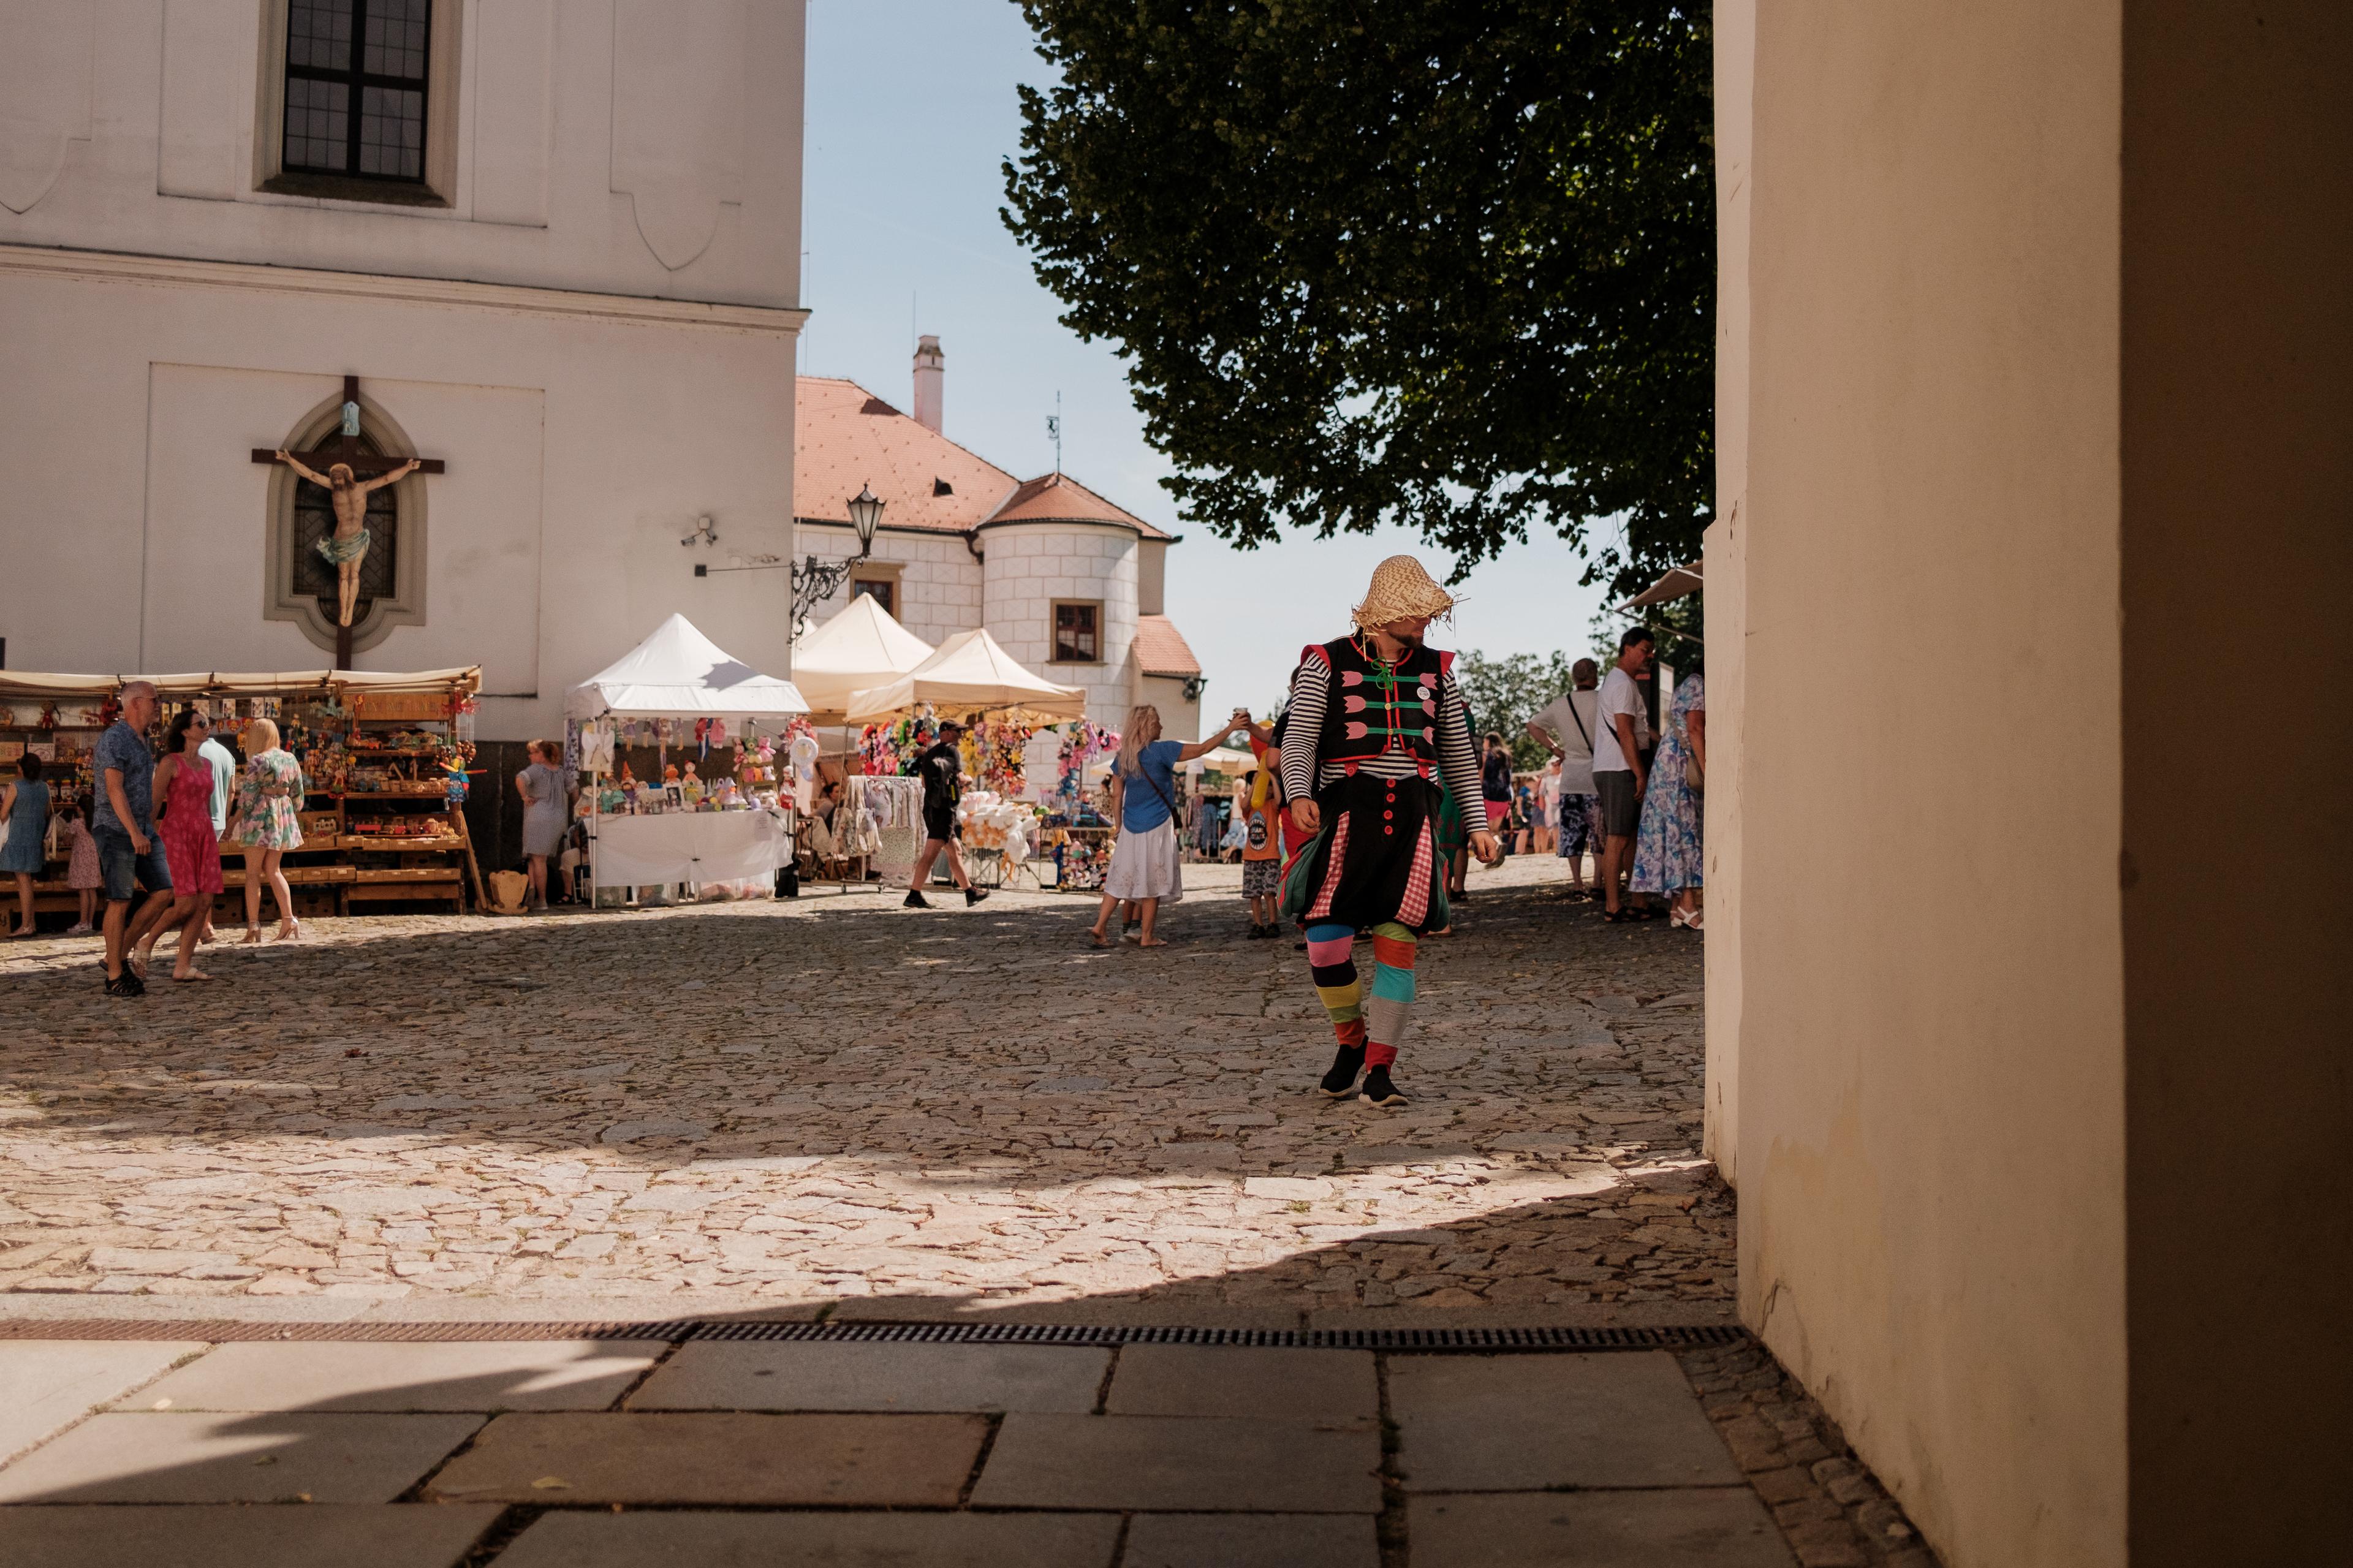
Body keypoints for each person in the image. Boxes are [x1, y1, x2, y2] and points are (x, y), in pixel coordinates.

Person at [1279, 556, 1498, 1108]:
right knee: (1326, 944)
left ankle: (1380, 1070)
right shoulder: (1325, 662)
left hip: (1413, 819)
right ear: (1388, 612)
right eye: (1417, 613)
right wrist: (1300, 792)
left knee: (1398, 943)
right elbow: (1300, 738)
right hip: (1348, 813)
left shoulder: (1438, 670)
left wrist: (1477, 824)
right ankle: (1351, 1042)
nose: (1426, 622)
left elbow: (1457, 754)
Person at [1089, 705, 1242, 948]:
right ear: (1148, 725)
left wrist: (1118, 826)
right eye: (1158, 722)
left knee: (1120, 878)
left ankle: (1100, 926)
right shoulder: (1161, 750)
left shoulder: (1123, 757)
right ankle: (1147, 936)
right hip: (1157, 825)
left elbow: (1117, 796)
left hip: (1130, 826)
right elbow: (1203, 748)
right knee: (1153, 880)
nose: (1161, 726)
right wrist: (1232, 728)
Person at [93, 681, 178, 996]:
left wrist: (146, 828)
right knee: (119, 899)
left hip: (143, 828)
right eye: (155, 700)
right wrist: (133, 832)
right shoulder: (115, 739)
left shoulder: (144, 740)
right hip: (117, 830)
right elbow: (114, 789)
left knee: (164, 892)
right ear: (135, 703)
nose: (158, 705)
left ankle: (115, 956)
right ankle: (115, 976)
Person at [150, 707, 225, 982]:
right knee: (184, 904)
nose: (207, 727)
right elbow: (156, 803)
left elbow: (206, 801)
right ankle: (147, 942)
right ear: (185, 731)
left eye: (208, 723)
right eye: (201, 723)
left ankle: (183, 965)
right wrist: (147, 833)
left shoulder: (208, 764)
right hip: (177, 834)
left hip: (203, 832)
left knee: (205, 901)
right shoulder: (170, 762)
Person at [1632, 668, 1707, 928]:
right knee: (1684, 831)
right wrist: (1707, 769)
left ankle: (1676, 908)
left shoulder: (1688, 684)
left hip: (1668, 766)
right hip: (1680, 767)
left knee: (1674, 830)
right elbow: (1696, 728)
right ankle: (1688, 907)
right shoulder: (1699, 685)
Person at [1592, 629, 1658, 921]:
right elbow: (1625, 732)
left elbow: (1637, 730)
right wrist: (1640, 773)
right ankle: (1612, 906)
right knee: (1618, 838)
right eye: (1645, 650)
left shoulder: (1621, 682)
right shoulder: (1621, 683)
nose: (1649, 656)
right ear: (1627, 648)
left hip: (1619, 766)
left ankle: (1636, 902)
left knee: (1630, 836)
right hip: (1620, 768)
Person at [224, 718, 306, 943]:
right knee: (275, 870)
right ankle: (289, 919)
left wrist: (231, 825)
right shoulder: (291, 759)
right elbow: (299, 799)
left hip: (258, 819)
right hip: (281, 818)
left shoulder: (258, 760)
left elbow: (247, 799)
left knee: (252, 873)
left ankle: (254, 926)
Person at [1528, 659, 1605, 898]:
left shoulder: (1561, 704)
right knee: (1599, 834)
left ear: (1574, 678)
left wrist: (1556, 751)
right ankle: (1597, 882)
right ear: (1595, 676)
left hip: (1571, 778)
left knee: (1573, 833)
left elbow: (1533, 726)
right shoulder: (1604, 701)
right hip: (1598, 775)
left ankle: (1576, 884)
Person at [906, 719, 986, 908]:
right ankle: (914, 894)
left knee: (955, 850)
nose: (961, 735)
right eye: (957, 731)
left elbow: (924, 783)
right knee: (931, 853)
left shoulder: (930, 753)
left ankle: (970, 892)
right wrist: (968, 779)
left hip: (931, 807)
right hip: (944, 809)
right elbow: (959, 777)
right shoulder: (951, 750)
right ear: (945, 732)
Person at [515, 741, 574, 913]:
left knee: (539, 860)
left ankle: (542, 900)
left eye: (533, 753)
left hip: (539, 816)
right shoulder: (561, 771)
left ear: (542, 755)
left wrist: (525, 797)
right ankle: (532, 888)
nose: (530, 756)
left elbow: (520, 779)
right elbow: (574, 788)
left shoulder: (536, 769)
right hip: (558, 818)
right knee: (535, 857)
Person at [1, 752, 51, 938]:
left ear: (21, 768)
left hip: (17, 838)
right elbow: (47, 813)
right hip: (35, 839)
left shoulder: (16, 787)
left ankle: (26, 925)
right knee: (27, 881)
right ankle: (32, 923)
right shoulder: (44, 788)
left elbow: (4, 813)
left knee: (23, 883)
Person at [1240, 763, 1284, 937]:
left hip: (1270, 855)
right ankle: (1258, 924)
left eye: (1268, 787)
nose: (1266, 790)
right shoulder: (1252, 807)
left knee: (1269, 892)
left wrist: (1272, 778)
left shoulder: (1272, 806)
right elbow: (1243, 805)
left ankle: (1273, 923)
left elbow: (1281, 800)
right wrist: (1255, 784)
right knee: (1254, 894)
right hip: (1251, 856)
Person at [63, 795, 100, 935]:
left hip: (81, 859)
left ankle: (83, 922)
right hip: (93, 858)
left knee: (83, 891)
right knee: (92, 890)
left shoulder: (77, 823)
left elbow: (67, 840)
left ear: (79, 808)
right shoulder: (95, 822)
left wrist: (66, 831)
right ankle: (90, 922)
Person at [1479, 732, 1514, 845]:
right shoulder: (1507, 756)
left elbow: (1481, 775)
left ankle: (1497, 849)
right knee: (1495, 830)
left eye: (1485, 741)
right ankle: (1499, 847)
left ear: (1489, 741)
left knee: (1488, 828)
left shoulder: (1485, 756)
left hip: (1489, 794)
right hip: (1505, 795)